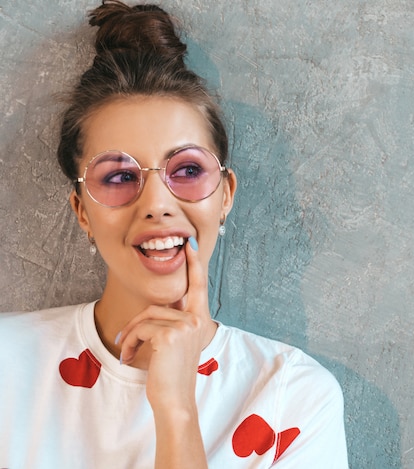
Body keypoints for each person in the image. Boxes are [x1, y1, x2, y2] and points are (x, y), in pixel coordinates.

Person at [0, 1, 348, 468]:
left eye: (186, 169)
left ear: (225, 195)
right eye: (120, 177)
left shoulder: (293, 399)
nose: (157, 205)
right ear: (82, 212)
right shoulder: (8, 365)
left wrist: (178, 412)